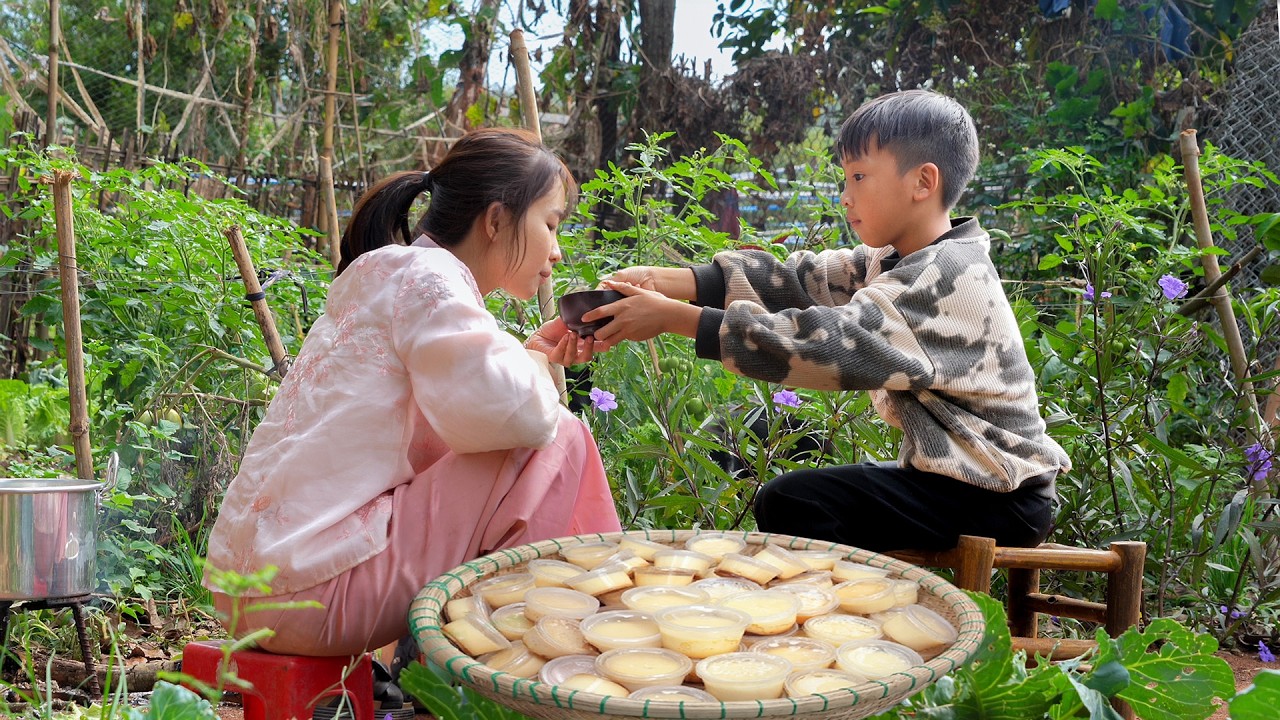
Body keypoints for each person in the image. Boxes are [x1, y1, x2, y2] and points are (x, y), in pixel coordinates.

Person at [585, 90, 1070, 552]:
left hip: (998, 494)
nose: (845, 196)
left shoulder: (943, 277)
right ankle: (862, 606)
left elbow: (824, 345)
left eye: (859, 177)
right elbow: (801, 279)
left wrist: (678, 320)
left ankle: (850, 620)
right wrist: (671, 280)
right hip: (967, 482)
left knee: (795, 500)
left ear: (924, 182)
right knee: (788, 469)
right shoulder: (896, 259)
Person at [204, 128, 622, 658]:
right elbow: (521, 418)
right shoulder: (432, 279)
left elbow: (473, 413)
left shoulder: (387, 268)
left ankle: (497, 650)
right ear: (496, 220)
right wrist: (535, 361)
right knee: (561, 440)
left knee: (536, 437)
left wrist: (528, 355)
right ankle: (539, 657)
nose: (556, 252)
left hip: (248, 593)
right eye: (551, 224)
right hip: (311, 596)